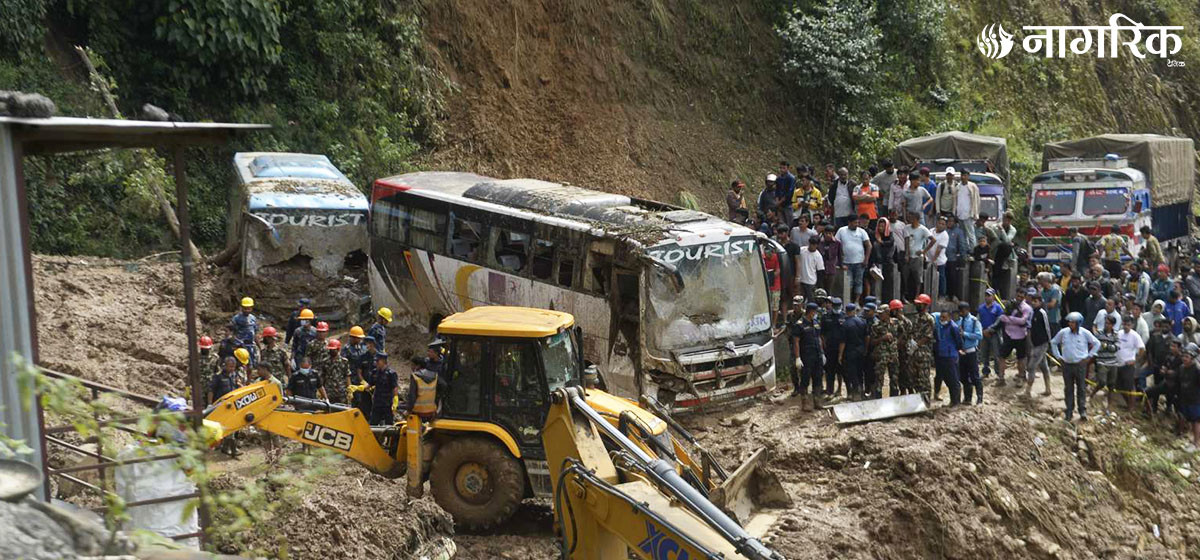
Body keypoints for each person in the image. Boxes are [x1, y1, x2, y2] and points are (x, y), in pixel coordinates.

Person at [1050, 312, 1100, 422]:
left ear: (1078, 323)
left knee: (1081, 388)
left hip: (1080, 365)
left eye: (1073, 322)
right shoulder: (1063, 332)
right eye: (1069, 322)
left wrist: (1089, 357)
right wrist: (1058, 357)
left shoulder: (1085, 333)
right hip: (1066, 364)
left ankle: (1082, 410)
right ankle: (1069, 411)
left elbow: (1097, 343)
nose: (1070, 324)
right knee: (1068, 388)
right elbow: (1053, 342)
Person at [997, 289, 1033, 386]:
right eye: (1018, 296)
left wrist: (1009, 319)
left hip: (1021, 336)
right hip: (1009, 335)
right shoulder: (1010, 305)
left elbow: (1023, 321)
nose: (1019, 298)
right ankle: (1001, 378)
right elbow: (1002, 317)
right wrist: (1012, 320)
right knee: (1001, 356)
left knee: (1021, 358)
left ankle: (1021, 377)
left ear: (1024, 297)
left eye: (1021, 297)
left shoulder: (1027, 308)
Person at [792, 302, 824, 409]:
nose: (816, 314)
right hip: (806, 356)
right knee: (805, 379)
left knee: (818, 378)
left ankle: (817, 401)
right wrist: (797, 358)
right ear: (811, 311)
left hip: (817, 355)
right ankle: (805, 402)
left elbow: (819, 338)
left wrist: (822, 353)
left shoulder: (816, 322)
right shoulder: (799, 324)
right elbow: (796, 342)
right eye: (815, 312)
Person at [835, 215, 872, 303]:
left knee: (858, 282)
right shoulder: (841, 230)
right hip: (846, 262)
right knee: (849, 283)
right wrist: (839, 260)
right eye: (855, 223)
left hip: (860, 262)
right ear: (849, 222)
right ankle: (848, 301)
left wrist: (866, 259)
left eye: (857, 223)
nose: (857, 224)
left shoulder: (862, 231)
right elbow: (836, 244)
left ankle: (857, 302)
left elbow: (869, 245)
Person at [933, 306, 964, 406]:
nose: (942, 319)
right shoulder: (941, 327)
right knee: (946, 379)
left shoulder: (953, 328)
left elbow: (959, 342)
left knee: (953, 379)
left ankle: (956, 402)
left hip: (950, 356)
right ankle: (953, 401)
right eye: (941, 317)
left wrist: (955, 351)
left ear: (949, 317)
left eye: (944, 317)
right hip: (941, 355)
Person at [208, 358, 239, 456]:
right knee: (226, 427)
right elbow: (211, 390)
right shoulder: (218, 377)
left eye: (233, 367)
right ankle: (233, 450)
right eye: (230, 366)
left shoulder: (234, 375)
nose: (232, 369)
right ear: (225, 366)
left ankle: (226, 448)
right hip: (221, 405)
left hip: (233, 405)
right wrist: (210, 404)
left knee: (232, 426)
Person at [1113, 315, 1146, 410]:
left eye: (1128, 324)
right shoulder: (1118, 333)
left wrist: (1135, 360)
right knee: (1119, 386)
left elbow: (1142, 349)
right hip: (1118, 363)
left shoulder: (1135, 335)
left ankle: (1131, 407)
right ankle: (1127, 404)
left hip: (1128, 365)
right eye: (1124, 324)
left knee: (1130, 386)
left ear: (1132, 325)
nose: (1126, 326)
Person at [1026, 292, 1055, 397]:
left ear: (1040, 302)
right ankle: (1048, 389)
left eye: (1036, 301)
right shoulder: (1032, 312)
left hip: (1042, 343)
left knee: (1031, 366)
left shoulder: (1042, 313)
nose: (1033, 303)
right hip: (1035, 343)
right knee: (1044, 366)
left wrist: (1049, 341)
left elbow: (1047, 328)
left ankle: (1028, 391)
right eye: (1032, 301)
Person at [955, 301, 984, 404]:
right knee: (963, 376)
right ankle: (968, 398)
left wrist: (965, 334)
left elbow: (979, 336)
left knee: (975, 376)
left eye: (962, 311)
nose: (961, 313)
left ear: (967, 310)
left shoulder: (974, 321)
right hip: (962, 352)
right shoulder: (959, 322)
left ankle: (979, 398)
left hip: (971, 351)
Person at [1090, 314, 1121, 409]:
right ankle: (1092, 394)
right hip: (1102, 361)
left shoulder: (1116, 334)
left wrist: (1106, 346)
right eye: (1105, 323)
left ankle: (1110, 404)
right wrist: (1106, 346)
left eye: (1108, 323)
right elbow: (1096, 346)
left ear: (1112, 325)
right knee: (1102, 381)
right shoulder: (1099, 333)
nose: (1106, 325)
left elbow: (1116, 347)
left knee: (1112, 385)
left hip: (1113, 362)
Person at [908, 294, 936, 398]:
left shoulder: (929, 319)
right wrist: (911, 343)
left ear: (925, 305)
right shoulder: (915, 317)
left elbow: (928, 336)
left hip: (924, 353)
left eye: (919, 304)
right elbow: (912, 332)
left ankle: (926, 400)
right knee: (914, 378)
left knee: (923, 378)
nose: (917, 306)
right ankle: (917, 399)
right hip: (914, 353)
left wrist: (916, 345)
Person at [839, 303, 868, 400]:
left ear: (847, 312)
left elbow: (843, 342)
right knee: (860, 372)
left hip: (850, 352)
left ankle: (856, 392)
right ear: (854, 311)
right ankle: (862, 392)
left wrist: (840, 355)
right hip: (861, 350)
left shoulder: (845, 324)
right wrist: (865, 348)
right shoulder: (862, 322)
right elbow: (867, 337)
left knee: (852, 372)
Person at [902, 212, 933, 301]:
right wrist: (907, 254)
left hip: (917, 257)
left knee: (918, 277)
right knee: (905, 276)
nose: (910, 220)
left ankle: (917, 295)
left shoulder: (923, 229)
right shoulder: (907, 228)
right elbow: (906, 241)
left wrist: (924, 251)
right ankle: (906, 295)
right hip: (909, 255)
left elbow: (933, 240)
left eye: (912, 218)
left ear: (916, 219)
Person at [1176, 344, 1200, 448]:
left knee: (1196, 421)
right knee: (1186, 417)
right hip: (1184, 397)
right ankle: (1186, 437)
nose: (1184, 359)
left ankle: (1196, 443)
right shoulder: (1181, 368)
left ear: (1192, 358)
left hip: (1195, 399)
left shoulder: (1197, 370)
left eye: (1187, 357)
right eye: (1183, 356)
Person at [977, 289, 1004, 378]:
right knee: (984, 353)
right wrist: (982, 330)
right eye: (986, 295)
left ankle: (998, 373)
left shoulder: (998, 307)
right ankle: (985, 371)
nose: (987, 297)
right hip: (984, 333)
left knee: (997, 354)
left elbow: (999, 321)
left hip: (994, 333)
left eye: (989, 295)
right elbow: (978, 320)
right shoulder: (981, 307)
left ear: (993, 296)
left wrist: (990, 330)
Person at [821, 297, 844, 396]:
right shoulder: (826, 317)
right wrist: (824, 344)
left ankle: (839, 389)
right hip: (829, 348)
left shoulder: (844, 316)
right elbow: (822, 333)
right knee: (829, 371)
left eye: (838, 306)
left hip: (841, 349)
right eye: (835, 306)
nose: (836, 308)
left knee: (840, 371)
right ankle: (829, 390)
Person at [367, 351, 399, 425]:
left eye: (377, 361)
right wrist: (358, 388)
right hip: (377, 402)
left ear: (383, 361)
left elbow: (395, 387)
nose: (376, 363)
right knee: (373, 423)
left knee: (389, 423)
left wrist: (395, 399)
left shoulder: (391, 373)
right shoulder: (375, 372)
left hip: (387, 403)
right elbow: (369, 385)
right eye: (375, 361)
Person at [319, 339, 351, 405]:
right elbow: (322, 376)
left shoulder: (344, 361)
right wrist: (321, 392)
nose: (331, 351)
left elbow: (347, 375)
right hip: (329, 391)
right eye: (330, 350)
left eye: (333, 350)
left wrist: (350, 389)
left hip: (341, 391)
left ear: (338, 349)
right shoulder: (325, 361)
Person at [943, 215, 968, 301]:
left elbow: (962, 245)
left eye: (951, 221)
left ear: (955, 222)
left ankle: (952, 295)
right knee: (944, 276)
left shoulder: (958, 232)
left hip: (953, 258)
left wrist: (963, 256)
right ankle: (945, 294)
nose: (949, 223)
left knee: (952, 277)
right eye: (948, 221)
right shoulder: (944, 230)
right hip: (943, 257)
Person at [231, 296, 259, 365]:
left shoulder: (253, 318)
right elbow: (232, 333)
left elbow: (255, 333)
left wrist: (258, 345)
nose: (247, 310)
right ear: (241, 307)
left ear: (251, 308)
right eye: (245, 308)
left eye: (248, 308)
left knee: (251, 364)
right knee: (241, 363)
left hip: (251, 345)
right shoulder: (236, 318)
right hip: (240, 346)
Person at [797, 237, 825, 303]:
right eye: (811, 244)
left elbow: (820, 271)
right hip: (801, 280)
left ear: (817, 245)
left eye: (814, 244)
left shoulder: (818, 256)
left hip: (811, 281)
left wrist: (819, 285)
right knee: (800, 300)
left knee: (811, 300)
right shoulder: (802, 250)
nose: (812, 246)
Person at [929, 216, 950, 300]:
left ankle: (942, 295)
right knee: (929, 277)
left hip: (939, 261)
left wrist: (934, 260)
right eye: (940, 223)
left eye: (943, 224)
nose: (941, 225)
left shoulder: (945, 235)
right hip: (928, 259)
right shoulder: (931, 231)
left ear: (945, 226)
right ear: (936, 223)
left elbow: (939, 249)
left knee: (941, 278)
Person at [817, 226, 842, 294]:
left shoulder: (837, 243)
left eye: (830, 233)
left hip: (831, 268)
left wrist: (841, 265)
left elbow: (840, 255)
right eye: (826, 233)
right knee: (820, 289)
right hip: (820, 268)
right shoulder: (819, 242)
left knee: (829, 289)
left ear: (833, 233)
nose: (828, 235)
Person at [198, 335, 219, 401]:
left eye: (205, 349)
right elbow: (190, 373)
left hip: (211, 388)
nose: (204, 350)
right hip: (199, 388)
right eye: (203, 349)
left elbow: (217, 372)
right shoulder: (195, 358)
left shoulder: (215, 358)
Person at [775, 161, 797, 227]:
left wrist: (780, 201)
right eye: (781, 168)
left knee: (789, 222)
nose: (782, 170)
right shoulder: (778, 178)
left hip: (788, 203)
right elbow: (777, 190)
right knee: (781, 222)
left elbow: (789, 192)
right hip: (780, 203)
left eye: (784, 168)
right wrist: (777, 201)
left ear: (787, 168)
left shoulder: (791, 178)